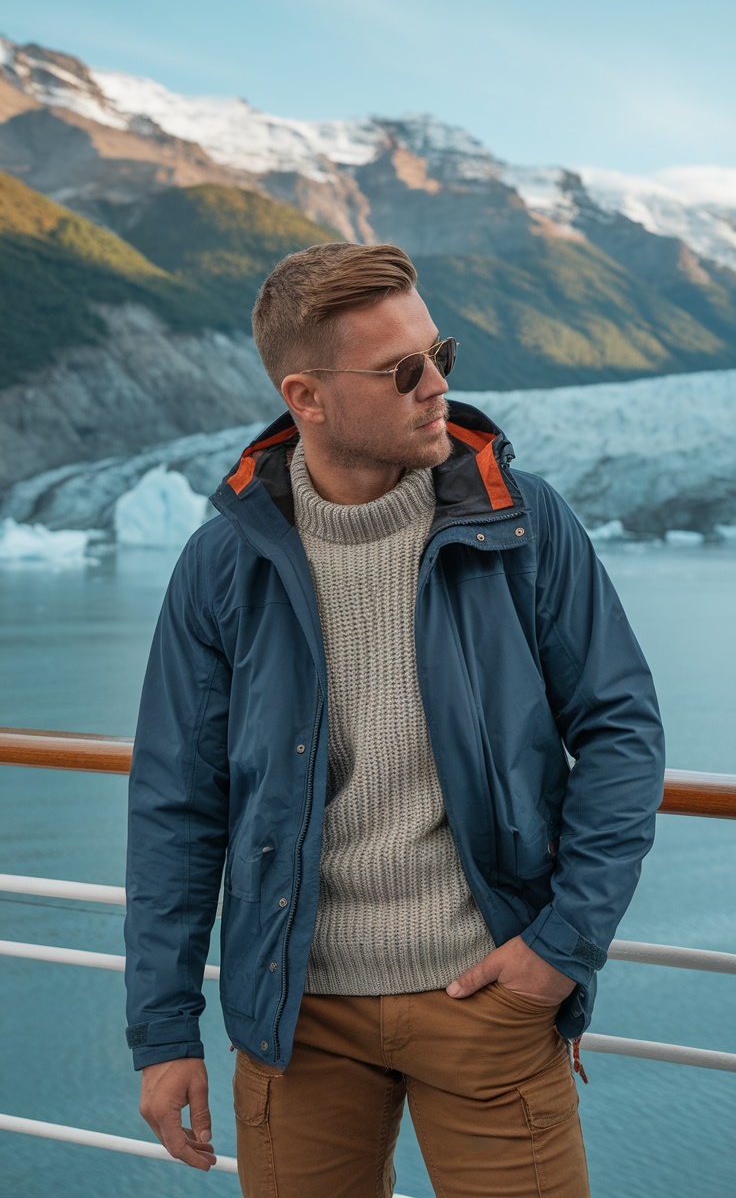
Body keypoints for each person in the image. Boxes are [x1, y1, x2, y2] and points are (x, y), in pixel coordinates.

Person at [125, 241, 665, 1198]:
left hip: (489, 996)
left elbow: (622, 732)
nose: (437, 386)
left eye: (440, 353)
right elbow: (177, 805)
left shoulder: (523, 523)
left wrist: (560, 950)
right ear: (307, 395)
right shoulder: (220, 567)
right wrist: (164, 1033)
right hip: (295, 1020)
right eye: (402, 369)